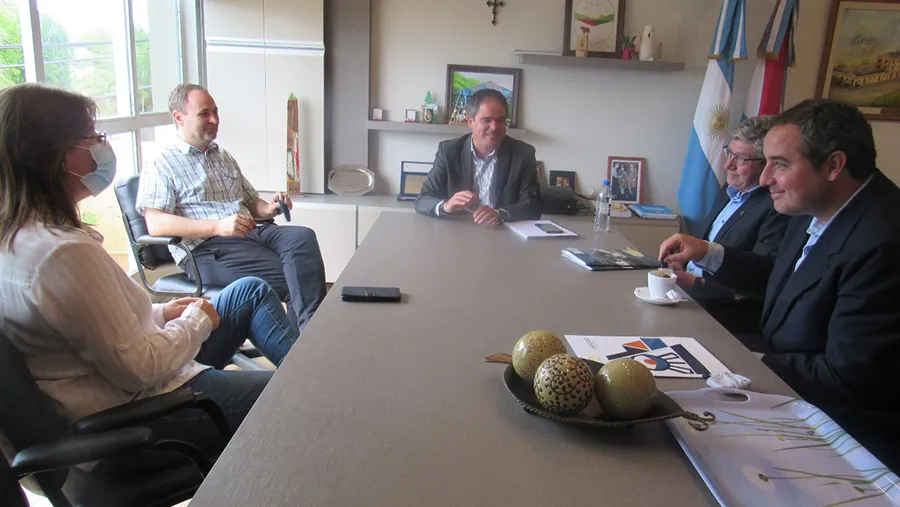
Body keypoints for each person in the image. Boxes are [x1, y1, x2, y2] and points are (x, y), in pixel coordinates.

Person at [0, 83, 300, 459]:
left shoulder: (24, 236)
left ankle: (309, 370)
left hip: (141, 377)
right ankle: (314, 391)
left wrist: (161, 313)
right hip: (142, 409)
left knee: (250, 290)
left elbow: (87, 329)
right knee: (297, 399)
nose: (100, 146)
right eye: (91, 137)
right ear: (55, 154)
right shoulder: (60, 255)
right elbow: (141, 367)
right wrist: (194, 320)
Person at [659, 99, 900, 471]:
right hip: (790, 392)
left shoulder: (885, 241)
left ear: (834, 165)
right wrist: (708, 253)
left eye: (780, 165)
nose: (766, 178)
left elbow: (848, 377)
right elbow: (779, 286)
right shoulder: (817, 208)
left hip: (842, 439)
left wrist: (738, 365)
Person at [137, 83, 326, 331]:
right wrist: (218, 226)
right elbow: (156, 223)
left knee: (302, 237)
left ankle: (305, 342)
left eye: (216, 112)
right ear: (178, 117)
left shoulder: (222, 156)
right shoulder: (161, 163)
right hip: (208, 250)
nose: (214, 119)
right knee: (298, 278)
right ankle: (306, 344)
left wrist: (270, 209)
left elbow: (252, 204)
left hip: (252, 233)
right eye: (204, 114)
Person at [672, 115, 789, 345]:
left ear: (766, 164)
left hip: (721, 315)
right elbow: (703, 243)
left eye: (741, 159)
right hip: (686, 296)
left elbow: (762, 278)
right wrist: (679, 263)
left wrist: (694, 283)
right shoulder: (730, 189)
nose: (728, 165)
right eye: (729, 154)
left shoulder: (776, 207)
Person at [415, 89, 541, 225]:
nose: (494, 127)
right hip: (458, 229)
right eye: (487, 120)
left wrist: (501, 213)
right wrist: (446, 205)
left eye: (501, 120)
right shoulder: (448, 151)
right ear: (470, 121)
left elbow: (533, 206)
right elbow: (423, 200)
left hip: (502, 232)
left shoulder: (523, 154)